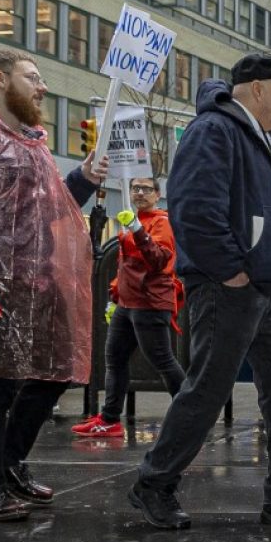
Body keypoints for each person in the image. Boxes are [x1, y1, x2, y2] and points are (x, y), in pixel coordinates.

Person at [129, 53, 271, 530]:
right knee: (208, 388)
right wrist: (231, 273)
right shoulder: (215, 131)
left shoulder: (265, 137)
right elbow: (193, 208)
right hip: (231, 289)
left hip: (264, 292)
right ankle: (153, 483)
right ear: (256, 88)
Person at [0, 49, 107, 521]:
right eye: (32, 77)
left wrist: (84, 179)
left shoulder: (34, 142)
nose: (42, 86)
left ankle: (10, 461)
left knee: (53, 374)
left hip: (40, 281)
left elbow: (52, 206)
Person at [72, 177, 185, 438]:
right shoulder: (132, 220)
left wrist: (136, 230)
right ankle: (110, 419)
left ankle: (190, 416)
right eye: (136, 188)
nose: (140, 193)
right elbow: (127, 264)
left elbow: (158, 261)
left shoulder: (161, 222)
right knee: (115, 360)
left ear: (158, 194)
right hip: (128, 303)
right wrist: (115, 294)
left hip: (150, 303)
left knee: (163, 361)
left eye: (147, 189)